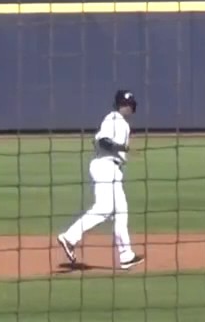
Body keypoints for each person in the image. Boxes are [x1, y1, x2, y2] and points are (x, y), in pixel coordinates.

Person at [56, 90, 144, 270]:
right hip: (105, 167)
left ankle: (126, 256)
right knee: (105, 208)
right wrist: (123, 148)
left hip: (112, 168)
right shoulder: (113, 119)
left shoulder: (119, 122)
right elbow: (103, 141)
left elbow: (97, 141)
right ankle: (70, 237)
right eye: (126, 104)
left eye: (130, 105)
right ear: (120, 105)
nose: (129, 108)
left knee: (121, 212)